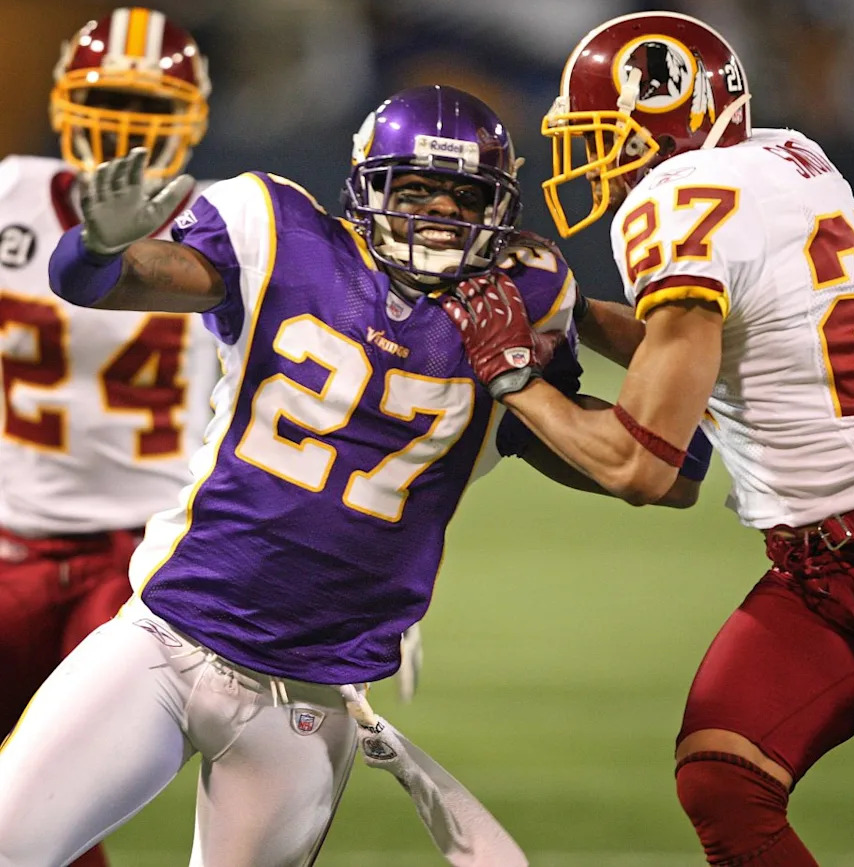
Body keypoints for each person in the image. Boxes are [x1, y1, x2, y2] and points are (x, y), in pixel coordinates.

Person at [0, 82, 701, 867]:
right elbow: (104, 280)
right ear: (368, 186)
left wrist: (522, 377)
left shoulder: (516, 305)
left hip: (307, 701)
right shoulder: (282, 232)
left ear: (495, 209)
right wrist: (95, 247)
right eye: (416, 188)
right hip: (164, 641)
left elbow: (667, 469)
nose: (438, 211)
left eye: (462, 195)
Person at [439, 10, 854, 867]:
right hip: (819, 559)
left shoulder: (678, 202)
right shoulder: (784, 157)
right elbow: (714, 354)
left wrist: (510, 375)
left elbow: (648, 466)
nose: (596, 159)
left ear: (668, 114)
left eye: (608, 134)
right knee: (724, 779)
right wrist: (569, 316)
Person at [0, 7, 219, 867]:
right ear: (62, 102)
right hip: (11, 539)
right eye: (108, 100)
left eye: (152, 107)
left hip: (142, 562)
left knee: (51, 803)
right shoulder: (10, 191)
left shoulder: (229, 224)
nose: (127, 126)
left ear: (194, 117)